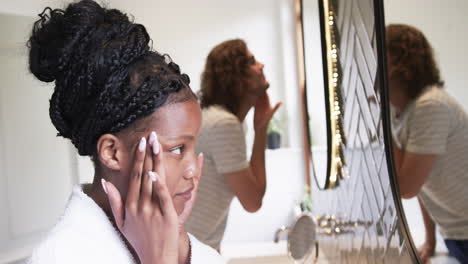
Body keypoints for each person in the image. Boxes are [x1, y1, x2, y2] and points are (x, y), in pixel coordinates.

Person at [25, 1, 224, 263]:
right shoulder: (59, 256)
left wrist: (175, 240)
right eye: (177, 149)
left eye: (193, 148)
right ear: (112, 152)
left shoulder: (199, 254)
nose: (193, 170)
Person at [185, 39, 281, 251]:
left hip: (192, 248)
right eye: (252, 61)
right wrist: (262, 129)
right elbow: (253, 201)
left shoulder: (217, 119)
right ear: (236, 76)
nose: (261, 66)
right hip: (191, 252)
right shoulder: (223, 124)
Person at [387, 24, 468, 264]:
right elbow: (422, 183)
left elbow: (406, 187)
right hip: (456, 235)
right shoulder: (403, 113)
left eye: (380, 54)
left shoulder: (429, 106)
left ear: (401, 62)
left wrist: (379, 118)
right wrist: (430, 240)